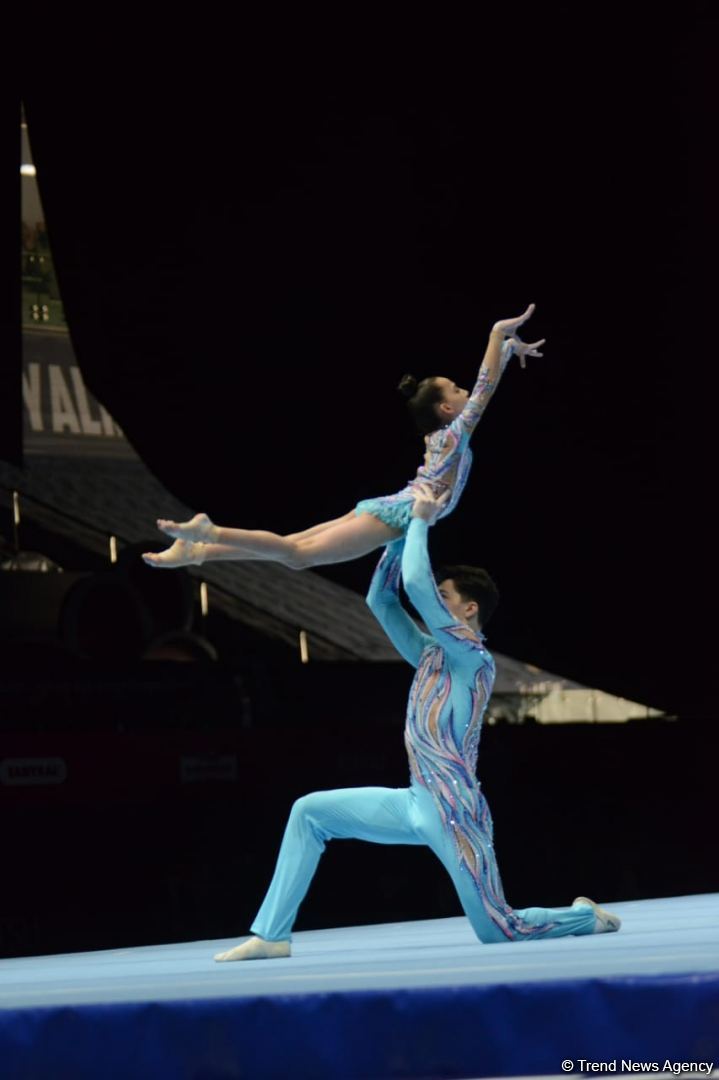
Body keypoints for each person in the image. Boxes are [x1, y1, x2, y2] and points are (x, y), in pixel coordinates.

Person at [214, 488, 620, 962]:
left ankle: (585, 917)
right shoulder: (429, 655)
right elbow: (381, 600)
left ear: (469, 609)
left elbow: (416, 584)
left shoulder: (473, 657)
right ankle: (272, 934)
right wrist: (395, 530)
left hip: (457, 813)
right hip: (413, 801)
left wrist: (421, 522)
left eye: (447, 596)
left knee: (498, 930)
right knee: (309, 812)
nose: (434, 601)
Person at [142, 303, 545, 571]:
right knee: (297, 555)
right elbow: (485, 387)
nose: (464, 395)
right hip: (398, 513)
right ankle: (209, 531)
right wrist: (497, 337)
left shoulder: (440, 437)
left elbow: (480, 388)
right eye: (456, 391)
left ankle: (197, 552)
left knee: (291, 545)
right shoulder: (453, 435)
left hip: (390, 506)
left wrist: (508, 349)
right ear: (446, 409)